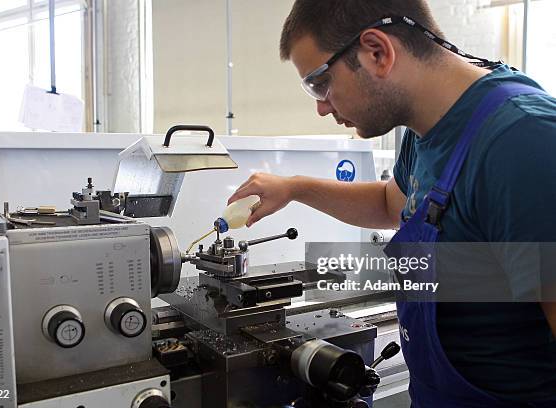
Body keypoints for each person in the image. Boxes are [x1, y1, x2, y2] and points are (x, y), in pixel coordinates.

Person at [228, 1, 556, 407]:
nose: (321, 106)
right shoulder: (426, 128)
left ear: (377, 52)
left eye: (320, 83)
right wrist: (294, 188)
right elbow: (390, 203)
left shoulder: (524, 143)